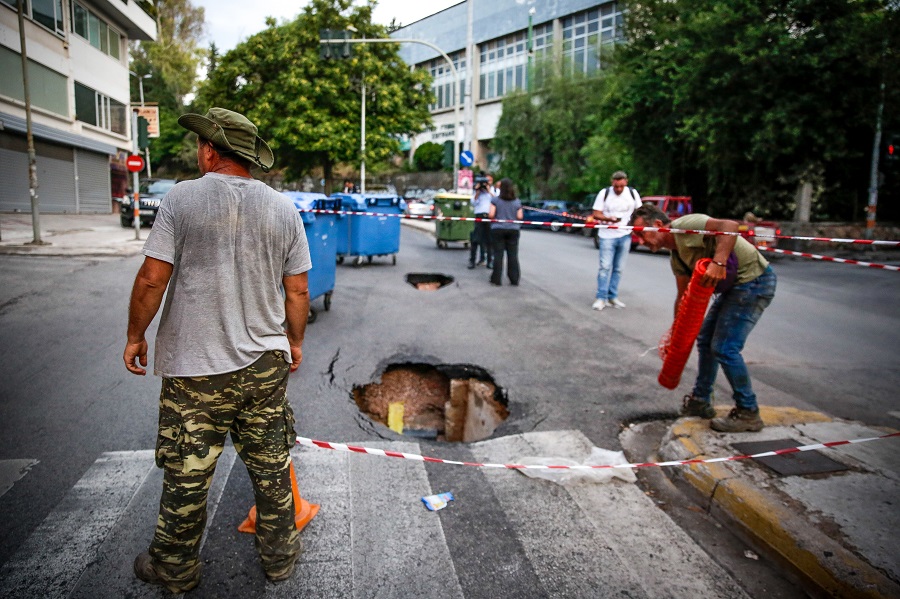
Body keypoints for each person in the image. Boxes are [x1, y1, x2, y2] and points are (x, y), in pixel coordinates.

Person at [123, 108, 311, 592]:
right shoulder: (283, 209)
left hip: (196, 370)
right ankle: (280, 558)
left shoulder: (182, 200)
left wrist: (135, 335)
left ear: (209, 150)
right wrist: (294, 342)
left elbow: (151, 279)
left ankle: (175, 568)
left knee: (188, 472)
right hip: (265, 365)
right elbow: (298, 292)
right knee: (272, 467)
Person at [630, 204, 777, 433]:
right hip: (734, 289)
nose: (640, 241)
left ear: (658, 225)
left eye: (641, 233)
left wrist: (719, 262)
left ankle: (748, 412)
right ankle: (701, 401)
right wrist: (675, 335)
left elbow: (729, 226)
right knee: (706, 342)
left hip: (754, 282)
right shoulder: (676, 255)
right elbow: (683, 296)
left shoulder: (686, 226)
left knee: (725, 348)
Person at [590, 171, 642, 311]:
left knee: (618, 269)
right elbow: (596, 213)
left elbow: (640, 213)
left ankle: (612, 296)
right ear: (612, 182)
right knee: (605, 267)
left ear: (626, 182)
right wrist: (609, 219)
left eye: (621, 186)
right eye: (616, 186)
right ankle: (601, 297)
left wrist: (640, 234)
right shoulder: (604, 193)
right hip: (607, 235)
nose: (618, 189)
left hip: (625, 235)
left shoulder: (632, 193)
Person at [488, 178, 523, 286]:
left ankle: (496, 279)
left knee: (498, 254)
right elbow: (520, 216)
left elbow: (491, 215)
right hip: (513, 229)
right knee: (512, 255)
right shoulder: (517, 201)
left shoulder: (495, 200)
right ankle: (514, 279)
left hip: (498, 229)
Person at [468, 174, 495, 269]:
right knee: (475, 239)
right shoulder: (476, 191)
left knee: (489, 240)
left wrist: (488, 191)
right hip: (479, 216)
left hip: (489, 216)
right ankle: (472, 261)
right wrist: (477, 192)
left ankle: (489, 261)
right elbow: (473, 203)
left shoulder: (493, 190)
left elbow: (496, 200)